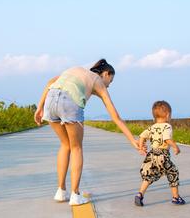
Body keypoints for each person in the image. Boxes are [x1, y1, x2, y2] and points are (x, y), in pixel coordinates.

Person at [34, 59, 141, 206]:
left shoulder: (76, 69)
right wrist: (132, 140)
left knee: (65, 145)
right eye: (110, 80)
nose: (109, 85)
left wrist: (39, 108)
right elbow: (115, 117)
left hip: (51, 100)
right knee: (76, 147)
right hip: (69, 102)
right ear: (105, 74)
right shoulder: (97, 80)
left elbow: (49, 83)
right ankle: (75, 195)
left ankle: (60, 191)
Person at [134, 100, 185, 207]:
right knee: (173, 172)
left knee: (149, 175)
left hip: (152, 155)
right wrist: (176, 147)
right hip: (162, 155)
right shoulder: (167, 126)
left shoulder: (152, 127)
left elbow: (142, 136)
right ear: (168, 115)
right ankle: (176, 197)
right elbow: (167, 139)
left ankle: (139, 195)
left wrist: (141, 147)